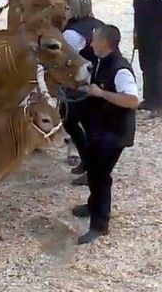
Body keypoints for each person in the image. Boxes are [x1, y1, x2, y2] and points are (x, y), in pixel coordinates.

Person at [72, 24, 138, 245]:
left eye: (95, 40)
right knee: (93, 171)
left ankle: (100, 224)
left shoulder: (120, 70)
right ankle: (92, 206)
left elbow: (132, 100)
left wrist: (101, 93)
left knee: (101, 178)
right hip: (99, 130)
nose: (91, 43)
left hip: (113, 134)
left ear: (106, 43)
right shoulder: (100, 62)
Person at [61, 0, 106, 186]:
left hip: (82, 84)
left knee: (75, 122)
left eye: (67, 8)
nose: (65, 11)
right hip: (97, 78)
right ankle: (87, 162)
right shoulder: (98, 24)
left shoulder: (72, 33)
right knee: (78, 123)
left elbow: (64, 58)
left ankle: (92, 168)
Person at [133, 0, 162, 113]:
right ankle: (149, 98)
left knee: (157, 66)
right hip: (144, 32)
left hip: (158, 34)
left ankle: (158, 100)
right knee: (145, 65)